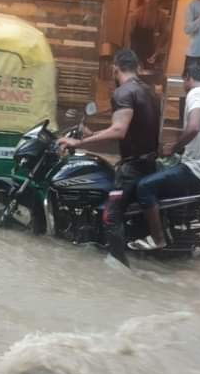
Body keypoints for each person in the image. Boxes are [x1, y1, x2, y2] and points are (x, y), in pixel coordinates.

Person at [57, 49, 160, 265]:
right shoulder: (149, 91)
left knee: (111, 215)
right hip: (149, 162)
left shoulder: (123, 93)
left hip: (133, 167)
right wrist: (93, 134)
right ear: (137, 68)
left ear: (115, 68)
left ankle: (119, 267)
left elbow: (119, 130)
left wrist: (79, 142)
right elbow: (132, 127)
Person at [128, 65, 200, 251]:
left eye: (183, 81)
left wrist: (174, 147)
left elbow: (194, 127)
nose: (184, 85)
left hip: (195, 169)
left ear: (188, 77)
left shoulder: (196, 94)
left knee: (144, 186)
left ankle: (157, 239)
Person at [130, 0, 170, 70]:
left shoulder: (161, 15)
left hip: (152, 49)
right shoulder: (137, 14)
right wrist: (130, 53)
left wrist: (158, 49)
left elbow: (165, 34)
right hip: (136, 48)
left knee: (150, 76)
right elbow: (129, 34)